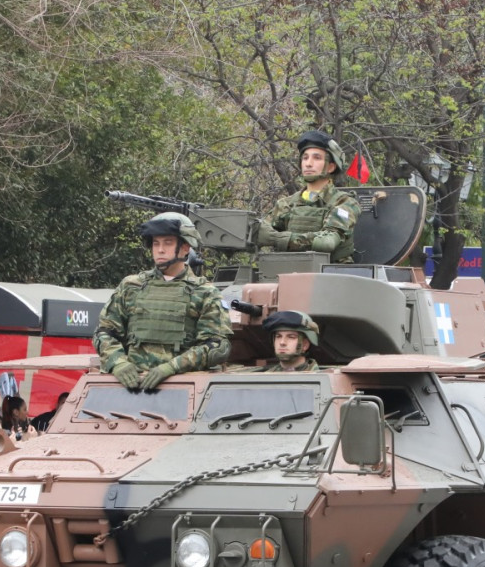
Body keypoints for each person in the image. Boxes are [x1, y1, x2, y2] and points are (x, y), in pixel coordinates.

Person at [95, 213, 232, 392]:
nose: (159, 250)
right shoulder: (131, 286)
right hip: (130, 387)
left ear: (184, 248)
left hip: (181, 389)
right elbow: (105, 332)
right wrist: (117, 362)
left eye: (168, 243)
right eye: (155, 243)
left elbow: (217, 346)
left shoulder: (205, 293)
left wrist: (172, 367)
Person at [258, 130, 360, 263]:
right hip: (288, 272)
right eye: (305, 158)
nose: (308, 163)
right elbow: (260, 233)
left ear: (330, 167)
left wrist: (279, 239)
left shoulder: (345, 203)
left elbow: (327, 242)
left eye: (316, 158)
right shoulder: (287, 204)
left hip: (333, 275)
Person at [247, 311, 322, 372]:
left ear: (305, 344)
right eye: (278, 336)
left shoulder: (322, 377)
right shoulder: (266, 378)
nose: (282, 342)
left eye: (291, 337)